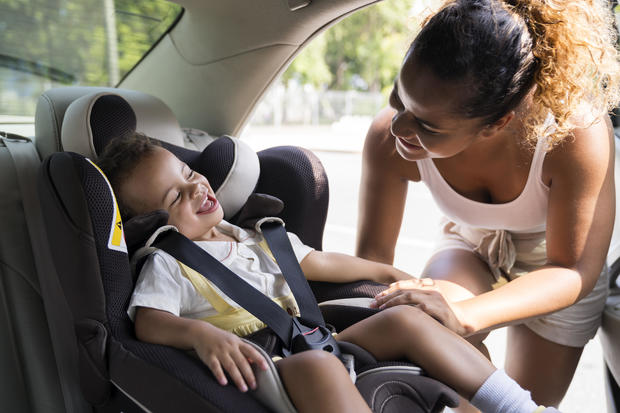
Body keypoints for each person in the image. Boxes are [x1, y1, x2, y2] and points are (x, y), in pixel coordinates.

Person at [97, 133, 561, 413]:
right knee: (318, 367)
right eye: (175, 197)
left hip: (317, 336)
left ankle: (516, 406)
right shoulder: (168, 261)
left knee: (406, 320)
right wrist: (201, 337)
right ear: (156, 223)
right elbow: (148, 320)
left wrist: (391, 271)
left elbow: (320, 263)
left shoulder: (251, 235)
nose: (195, 187)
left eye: (187, 172)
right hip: (265, 366)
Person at [356, 0, 620, 410]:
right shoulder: (388, 140)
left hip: (557, 269)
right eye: (398, 97)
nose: (399, 126)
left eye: (427, 125)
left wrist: (467, 316)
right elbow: (371, 261)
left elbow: (571, 269)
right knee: (429, 322)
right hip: (473, 245)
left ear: (498, 123)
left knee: (521, 402)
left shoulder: (575, 134)